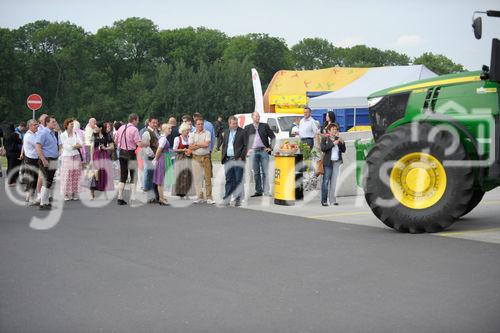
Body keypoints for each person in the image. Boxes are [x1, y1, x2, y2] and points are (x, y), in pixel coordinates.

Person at [244, 112, 275, 197]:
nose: (258, 117)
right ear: (252, 117)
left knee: (265, 172)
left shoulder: (264, 126)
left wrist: (270, 148)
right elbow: (244, 140)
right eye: (256, 116)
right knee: (256, 172)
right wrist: (247, 150)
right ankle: (258, 191)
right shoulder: (247, 128)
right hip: (253, 152)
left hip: (263, 151)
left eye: (259, 116)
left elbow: (273, 137)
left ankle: (266, 191)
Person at [114, 113, 142, 205]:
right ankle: (133, 198)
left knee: (123, 176)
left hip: (122, 153)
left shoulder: (121, 128)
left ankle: (120, 197)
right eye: (137, 120)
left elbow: (116, 140)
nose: (138, 122)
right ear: (134, 120)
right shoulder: (134, 129)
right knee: (133, 176)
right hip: (131, 154)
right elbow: (138, 143)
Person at [35, 115, 61, 210]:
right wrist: (43, 159)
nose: (55, 123)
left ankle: (45, 201)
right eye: (53, 122)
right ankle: (42, 203)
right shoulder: (43, 133)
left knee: (49, 181)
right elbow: (38, 146)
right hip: (47, 159)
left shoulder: (52, 133)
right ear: (47, 123)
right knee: (47, 180)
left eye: (55, 121)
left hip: (53, 159)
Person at [221, 116, 246, 207]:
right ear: (229, 124)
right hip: (228, 159)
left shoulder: (242, 132)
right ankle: (227, 198)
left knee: (238, 180)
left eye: (236, 123)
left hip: (238, 159)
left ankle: (238, 199)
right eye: (233, 123)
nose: (235, 125)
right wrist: (223, 157)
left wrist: (241, 157)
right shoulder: (226, 132)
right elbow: (225, 145)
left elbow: (246, 146)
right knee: (229, 180)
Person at [189, 117, 214, 204]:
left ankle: (209, 197)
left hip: (206, 157)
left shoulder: (207, 133)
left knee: (207, 178)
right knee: (197, 179)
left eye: (202, 124)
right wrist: (200, 144)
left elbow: (206, 144)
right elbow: (190, 147)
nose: (200, 125)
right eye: (198, 124)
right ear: (195, 125)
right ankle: (200, 196)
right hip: (195, 158)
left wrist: (195, 144)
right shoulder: (192, 134)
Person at [320, 123, 346, 206]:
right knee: (326, 181)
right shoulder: (325, 139)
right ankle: (324, 200)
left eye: (336, 129)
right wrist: (333, 143)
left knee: (334, 182)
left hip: (336, 162)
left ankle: (332, 200)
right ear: (329, 131)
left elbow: (343, 150)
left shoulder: (338, 139)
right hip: (328, 163)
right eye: (333, 129)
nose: (335, 131)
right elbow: (323, 148)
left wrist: (342, 143)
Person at [59, 118, 83, 201]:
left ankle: (73, 193)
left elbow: (81, 143)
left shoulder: (76, 133)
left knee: (76, 174)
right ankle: (66, 194)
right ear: (67, 125)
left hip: (76, 155)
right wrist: (75, 145)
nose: (72, 125)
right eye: (71, 124)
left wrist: (74, 146)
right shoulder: (63, 135)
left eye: (73, 124)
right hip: (67, 156)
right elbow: (66, 147)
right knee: (67, 175)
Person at [89, 122, 115, 200]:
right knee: (94, 174)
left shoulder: (107, 135)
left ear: (100, 128)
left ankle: (105, 193)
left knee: (104, 174)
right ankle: (92, 194)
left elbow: (112, 147)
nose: (94, 128)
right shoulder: (94, 135)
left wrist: (105, 148)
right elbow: (92, 148)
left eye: (96, 127)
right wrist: (91, 159)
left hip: (104, 155)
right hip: (96, 155)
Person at [152, 123, 173, 206]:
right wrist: (155, 159)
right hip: (162, 159)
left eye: (170, 128)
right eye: (169, 128)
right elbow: (159, 150)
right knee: (160, 179)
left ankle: (162, 196)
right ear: (164, 130)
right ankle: (161, 198)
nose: (170, 130)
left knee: (162, 178)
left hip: (165, 158)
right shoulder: (163, 139)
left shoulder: (163, 138)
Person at [141, 118, 160, 203]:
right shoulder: (146, 132)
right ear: (149, 123)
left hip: (155, 157)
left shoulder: (156, 132)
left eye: (156, 122)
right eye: (153, 122)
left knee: (153, 176)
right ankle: (149, 197)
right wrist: (153, 155)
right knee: (149, 176)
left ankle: (153, 196)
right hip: (150, 157)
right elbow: (145, 146)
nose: (155, 124)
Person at [172, 123, 193, 199]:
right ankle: (180, 194)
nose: (188, 131)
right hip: (180, 158)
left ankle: (187, 193)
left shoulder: (189, 138)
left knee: (188, 176)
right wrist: (182, 150)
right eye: (186, 130)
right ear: (182, 130)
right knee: (180, 176)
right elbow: (174, 149)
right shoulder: (177, 138)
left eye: (189, 130)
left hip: (188, 158)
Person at [21, 120, 39, 203]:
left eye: (37, 125)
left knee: (33, 178)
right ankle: (30, 197)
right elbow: (38, 145)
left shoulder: (34, 134)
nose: (37, 126)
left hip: (33, 158)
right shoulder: (29, 136)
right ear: (30, 126)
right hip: (31, 159)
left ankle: (28, 196)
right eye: (35, 125)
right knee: (32, 178)